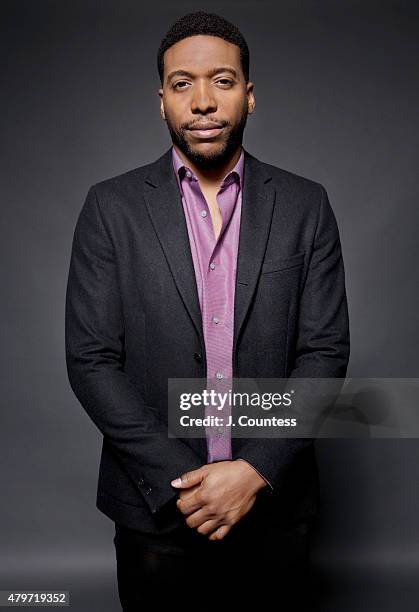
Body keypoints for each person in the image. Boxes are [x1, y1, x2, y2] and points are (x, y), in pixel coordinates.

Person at [65, 10, 350, 611]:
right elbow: (91, 361)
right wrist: (188, 487)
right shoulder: (109, 207)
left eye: (221, 81)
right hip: (155, 513)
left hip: (274, 509)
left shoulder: (306, 205)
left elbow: (324, 354)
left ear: (248, 96)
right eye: (181, 84)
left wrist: (253, 472)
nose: (201, 101)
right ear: (161, 101)